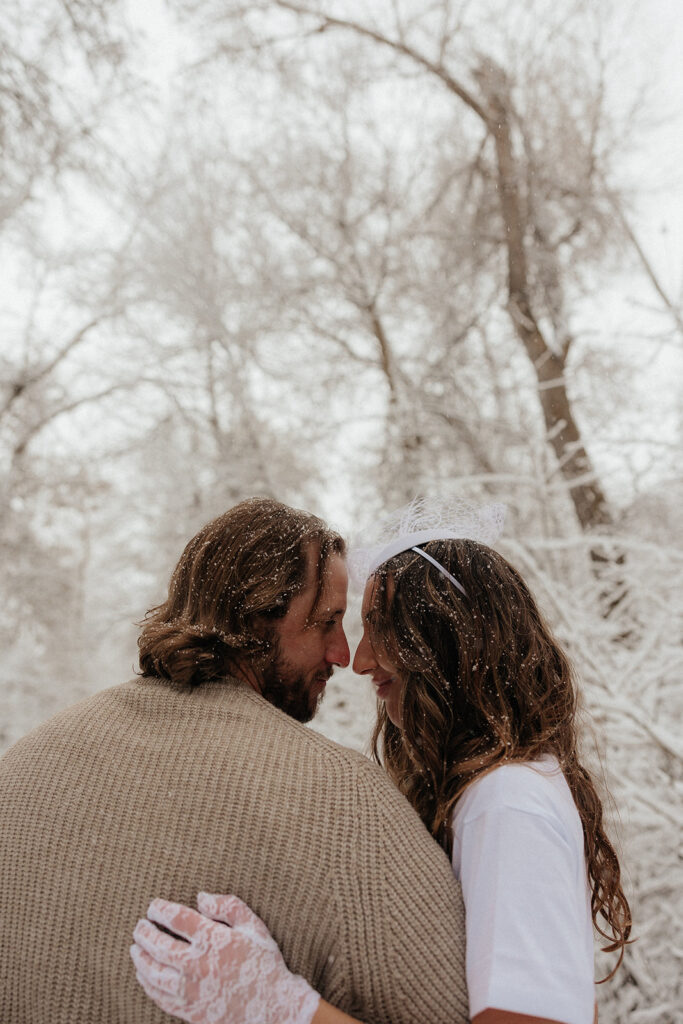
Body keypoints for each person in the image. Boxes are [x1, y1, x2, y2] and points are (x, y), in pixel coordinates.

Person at [132, 499, 632, 1024]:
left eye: (379, 627)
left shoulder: (507, 804)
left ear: (445, 640)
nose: (360, 658)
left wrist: (284, 1009)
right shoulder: (494, 796)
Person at [0, 497, 469, 1024]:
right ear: (256, 618)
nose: (343, 654)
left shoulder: (21, 766)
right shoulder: (342, 804)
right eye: (326, 623)